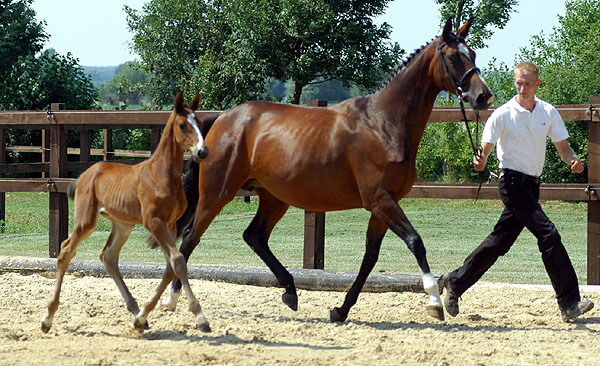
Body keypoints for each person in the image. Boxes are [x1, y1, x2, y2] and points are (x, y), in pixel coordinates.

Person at [439, 61, 594, 322]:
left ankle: (454, 282)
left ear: (537, 84)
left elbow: (564, 147)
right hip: (511, 183)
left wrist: (573, 160)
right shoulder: (502, 114)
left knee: (499, 242)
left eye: (528, 84)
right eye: (518, 83)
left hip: (532, 186)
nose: (522, 88)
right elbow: (485, 149)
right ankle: (569, 303)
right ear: (515, 83)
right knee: (549, 235)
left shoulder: (548, 112)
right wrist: (480, 160)